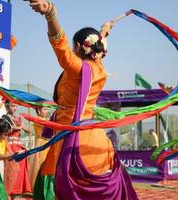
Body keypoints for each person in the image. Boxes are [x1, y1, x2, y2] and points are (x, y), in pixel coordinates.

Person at [29, 1, 138, 199]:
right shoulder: (99, 68)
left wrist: (51, 14)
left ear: (78, 46)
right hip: (96, 140)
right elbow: (98, 43)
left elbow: (59, 45)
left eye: (74, 47)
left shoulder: (77, 69)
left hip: (72, 141)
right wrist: (105, 29)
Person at [2, 100, 31, 198]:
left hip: (18, 145)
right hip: (10, 146)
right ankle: (8, 194)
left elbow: (26, 130)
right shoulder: (5, 118)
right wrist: (21, 127)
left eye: (15, 106)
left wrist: (26, 127)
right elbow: (9, 128)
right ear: (6, 107)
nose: (14, 108)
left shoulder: (17, 117)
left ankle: (17, 193)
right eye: (12, 106)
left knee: (19, 171)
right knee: (11, 170)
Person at [29, 107, 50, 191]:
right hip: (41, 143)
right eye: (44, 109)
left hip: (47, 143)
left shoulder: (45, 119)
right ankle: (37, 186)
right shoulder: (37, 119)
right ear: (38, 111)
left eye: (46, 109)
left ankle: (45, 185)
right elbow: (46, 125)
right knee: (39, 164)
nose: (46, 111)